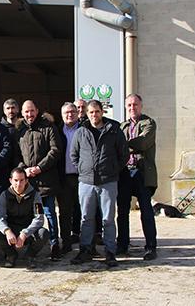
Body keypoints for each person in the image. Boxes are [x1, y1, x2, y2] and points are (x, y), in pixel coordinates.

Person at [70, 100, 128, 267]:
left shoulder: (114, 130)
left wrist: (112, 169)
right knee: (86, 218)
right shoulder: (81, 131)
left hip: (108, 181)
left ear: (102, 112)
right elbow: (74, 155)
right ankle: (85, 250)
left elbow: (123, 155)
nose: (94, 115)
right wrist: (83, 169)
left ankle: (110, 252)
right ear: (86, 114)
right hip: (86, 182)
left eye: (96, 111)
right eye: (90, 112)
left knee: (108, 218)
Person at [15, 99, 62, 261]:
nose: (29, 114)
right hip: (28, 182)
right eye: (26, 112)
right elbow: (16, 155)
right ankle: (32, 245)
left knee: (49, 214)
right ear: (22, 113)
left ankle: (55, 244)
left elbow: (55, 151)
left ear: (37, 110)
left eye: (32, 111)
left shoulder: (49, 127)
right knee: (30, 215)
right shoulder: (19, 131)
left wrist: (39, 168)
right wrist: (24, 169)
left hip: (46, 180)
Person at [117, 94, 158, 261]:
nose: (132, 108)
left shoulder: (149, 123)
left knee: (146, 211)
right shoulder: (122, 126)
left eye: (135, 105)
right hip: (125, 172)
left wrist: (124, 144)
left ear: (141, 106)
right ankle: (122, 245)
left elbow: (143, 143)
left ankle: (150, 247)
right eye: (129, 105)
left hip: (142, 173)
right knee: (122, 211)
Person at [0, 167, 49, 268]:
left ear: (26, 180)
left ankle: (30, 256)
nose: (19, 184)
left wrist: (25, 233)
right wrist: (7, 231)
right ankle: (11, 255)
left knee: (43, 233)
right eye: (16, 180)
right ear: (10, 181)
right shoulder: (4, 195)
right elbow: (0, 218)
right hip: (12, 229)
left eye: (22, 180)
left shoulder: (35, 195)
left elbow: (39, 218)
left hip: (29, 230)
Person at [56, 102, 82, 253]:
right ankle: (65, 243)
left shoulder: (85, 130)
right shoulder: (57, 131)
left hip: (82, 177)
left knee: (85, 211)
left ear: (78, 113)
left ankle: (87, 245)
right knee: (65, 212)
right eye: (66, 112)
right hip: (63, 178)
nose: (70, 115)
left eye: (72, 111)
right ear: (62, 115)